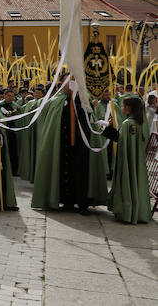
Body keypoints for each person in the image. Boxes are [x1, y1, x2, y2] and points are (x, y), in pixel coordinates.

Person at [32, 80, 108, 214]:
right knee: (64, 173)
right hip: (62, 144)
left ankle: (83, 203)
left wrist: (80, 100)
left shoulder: (84, 100)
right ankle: (67, 202)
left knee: (82, 174)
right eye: (68, 81)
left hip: (82, 145)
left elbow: (91, 118)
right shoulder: (56, 101)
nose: (71, 84)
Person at [99, 96, 151, 224]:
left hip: (127, 161)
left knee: (128, 181)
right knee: (136, 182)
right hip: (137, 161)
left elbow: (120, 141)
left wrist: (107, 130)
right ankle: (138, 211)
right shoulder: (140, 122)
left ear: (128, 108)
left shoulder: (128, 124)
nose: (121, 108)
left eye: (123, 106)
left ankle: (127, 211)